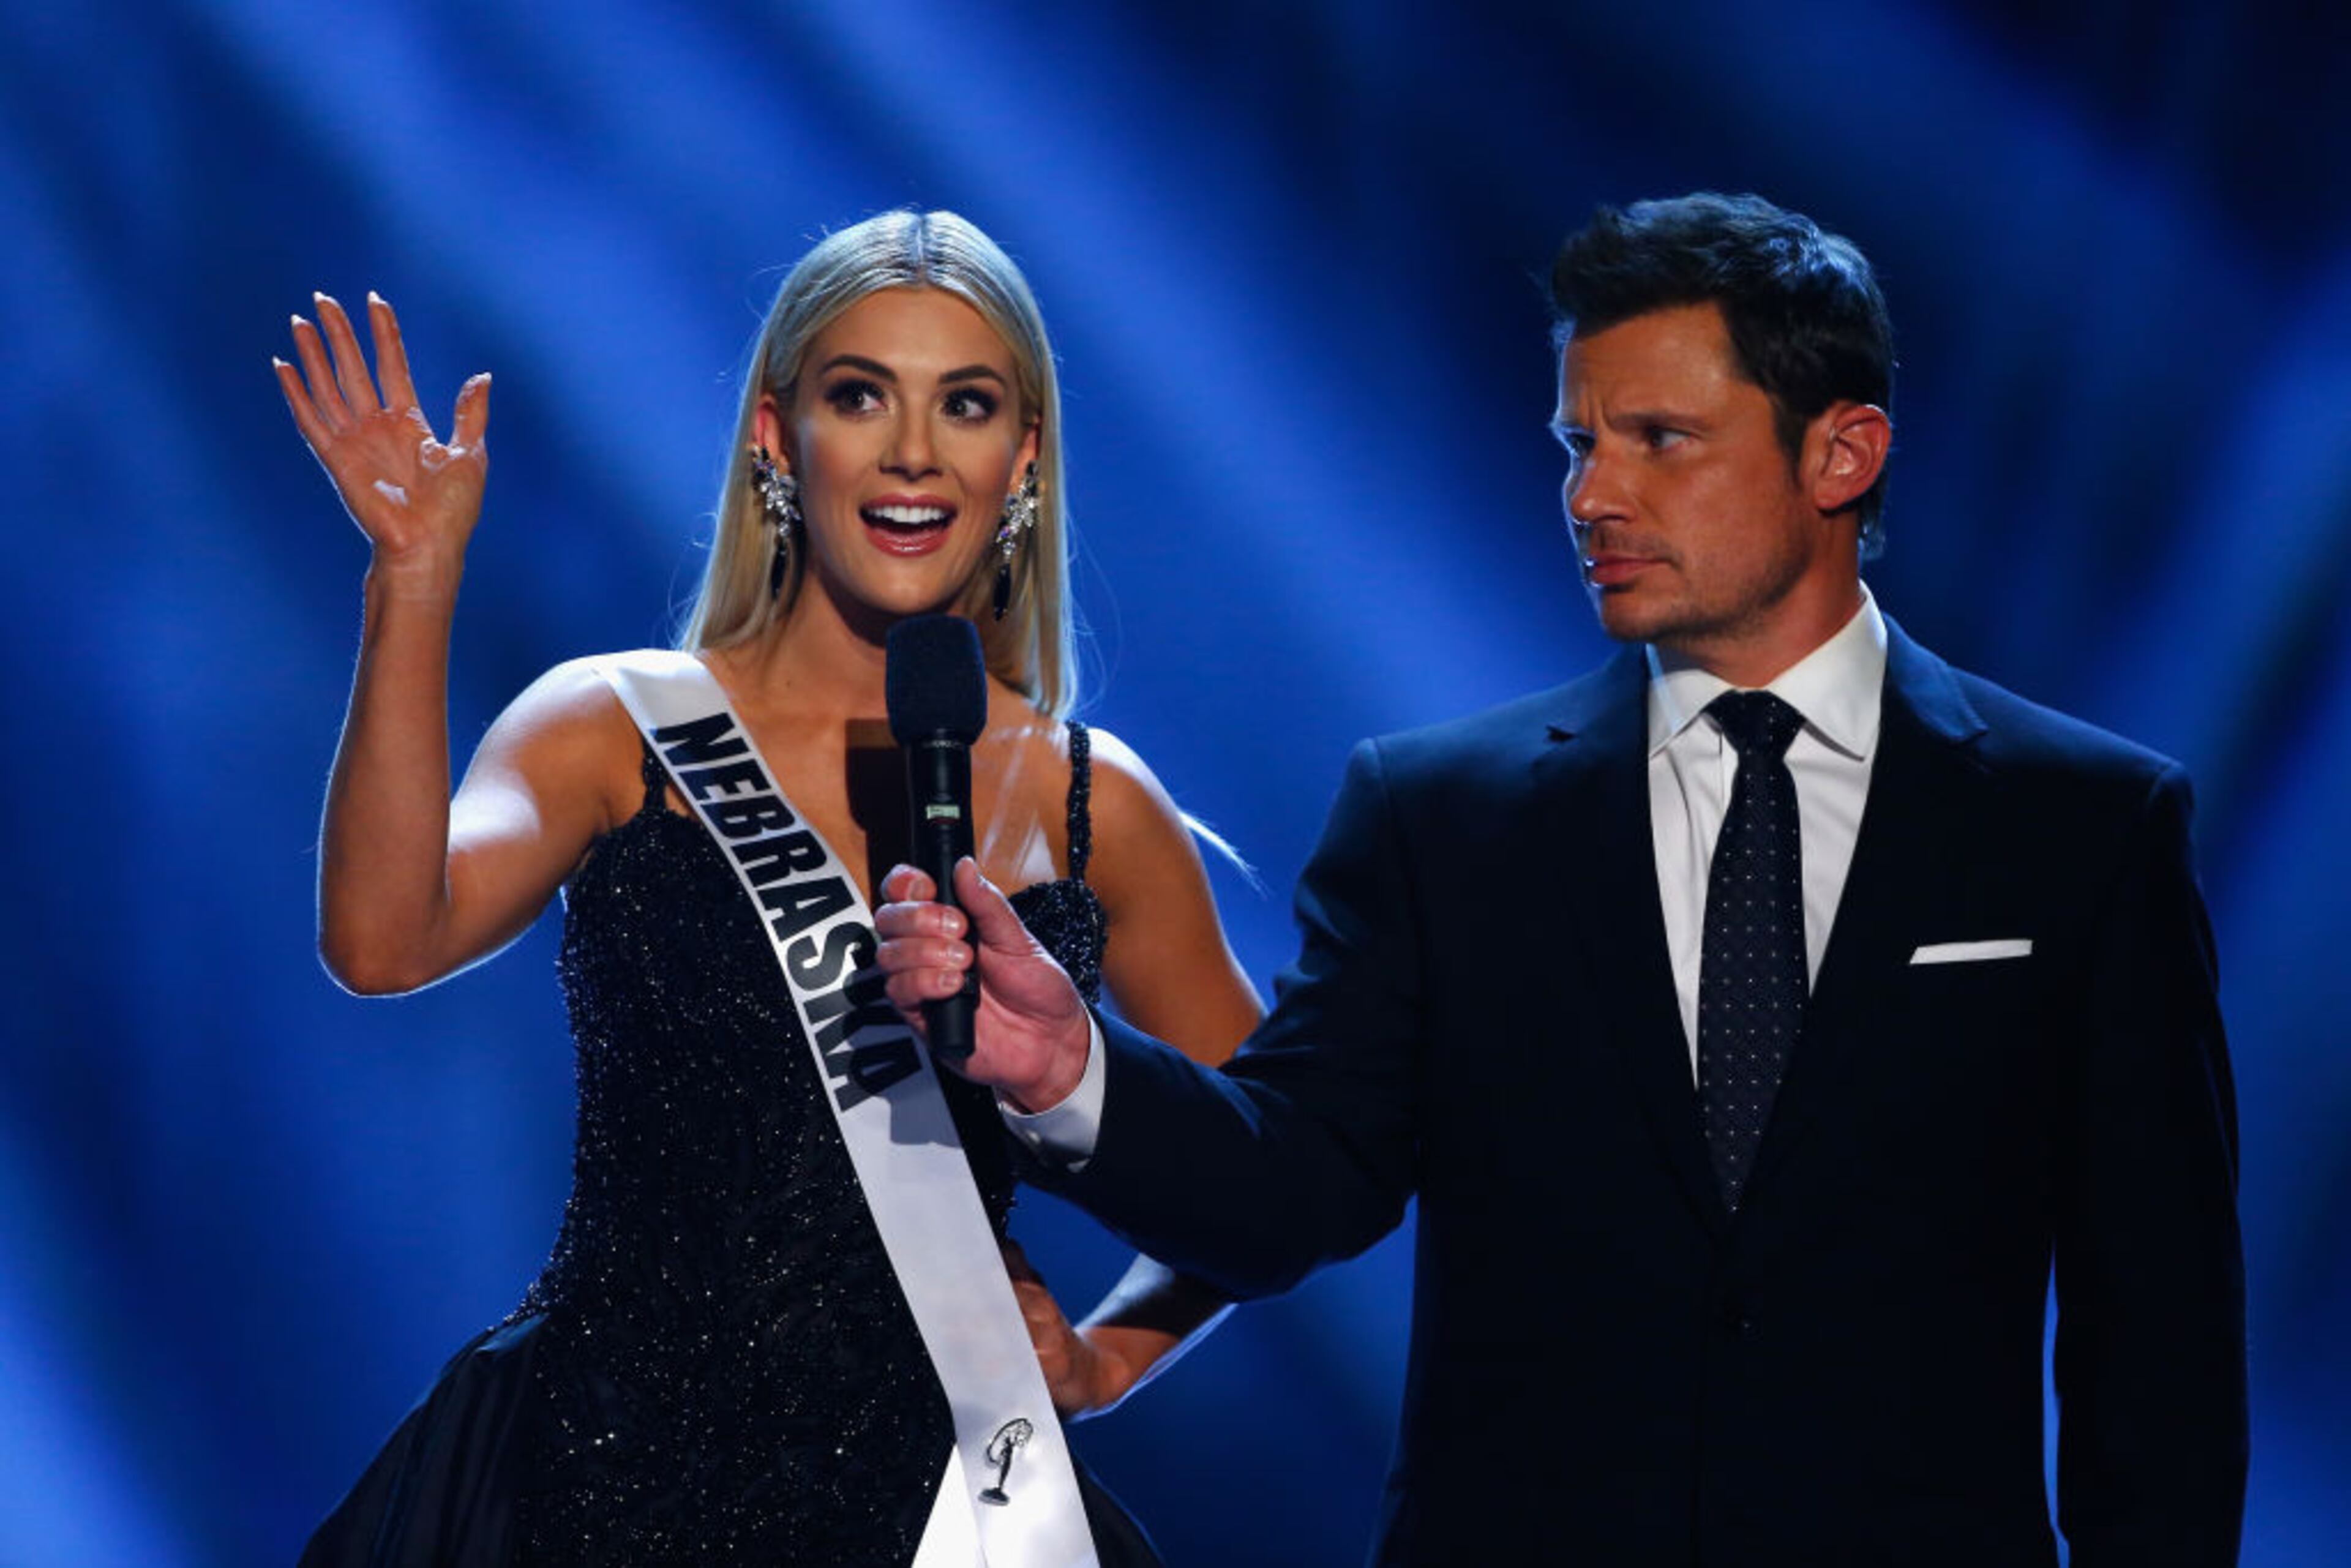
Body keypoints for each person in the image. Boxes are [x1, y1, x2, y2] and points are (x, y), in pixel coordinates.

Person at [877, 193, 2249, 1566]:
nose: (1593, 495)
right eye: (1580, 444)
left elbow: (2163, 1340)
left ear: (1841, 454)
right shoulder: (1440, 819)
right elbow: (1298, 1186)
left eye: (1660, 440)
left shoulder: (2083, 828)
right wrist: (1075, 1070)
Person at [279, 209, 1260, 1567]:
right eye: (862, 396)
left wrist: (1108, 1355)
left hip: (946, 1515)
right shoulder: (616, 726)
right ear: (774, 433)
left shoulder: (1097, 805)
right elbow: (382, 941)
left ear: (1020, 458)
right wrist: (415, 577)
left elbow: (1278, 1158)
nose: (913, 452)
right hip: (593, 1496)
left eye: (965, 405)